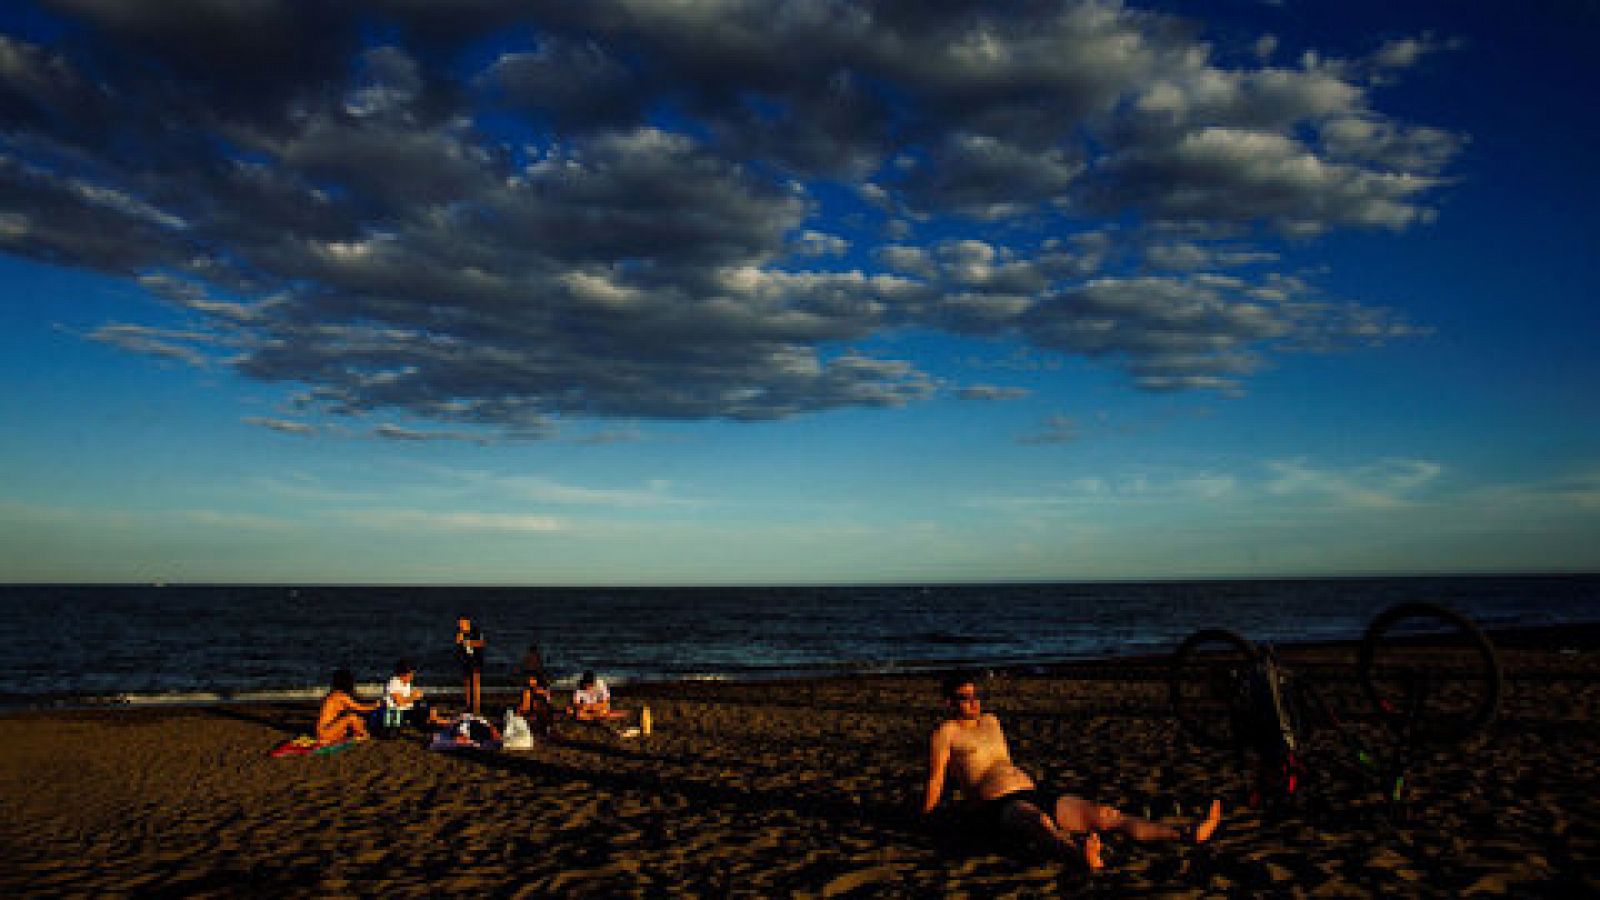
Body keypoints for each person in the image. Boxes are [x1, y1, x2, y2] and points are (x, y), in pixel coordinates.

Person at [922, 674, 1222, 870]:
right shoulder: (945, 733)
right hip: (996, 806)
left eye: (975, 695)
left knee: (1105, 814)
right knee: (1040, 823)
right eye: (965, 697)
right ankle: (1080, 856)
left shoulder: (992, 721)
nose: (974, 702)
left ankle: (1186, 833)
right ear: (948, 702)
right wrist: (928, 820)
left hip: (1031, 790)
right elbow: (936, 780)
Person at [568, 670, 650, 738]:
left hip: (598, 706)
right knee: (574, 712)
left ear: (594, 683)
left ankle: (632, 713)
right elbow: (576, 702)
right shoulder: (579, 686)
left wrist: (591, 707)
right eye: (586, 686)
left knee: (602, 713)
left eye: (590, 686)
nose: (588, 688)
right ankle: (595, 717)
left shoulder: (600, 684)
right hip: (587, 707)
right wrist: (583, 707)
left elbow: (605, 702)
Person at [384, 659, 449, 730]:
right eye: (410, 674)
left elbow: (407, 698)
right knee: (424, 711)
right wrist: (413, 696)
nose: (412, 676)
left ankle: (438, 721)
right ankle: (440, 722)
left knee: (429, 705)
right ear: (402, 674)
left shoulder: (406, 683)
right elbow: (399, 702)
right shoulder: (394, 683)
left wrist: (416, 696)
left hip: (407, 709)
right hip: (397, 713)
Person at [316, 668, 375, 744]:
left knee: (358, 720)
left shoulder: (335, 694)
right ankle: (365, 735)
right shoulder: (340, 695)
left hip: (325, 731)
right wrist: (375, 705)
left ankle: (358, 735)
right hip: (324, 732)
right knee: (352, 717)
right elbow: (360, 708)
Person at [454, 615, 486, 715]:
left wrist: (469, 643)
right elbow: (459, 647)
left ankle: (477, 707)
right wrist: (459, 641)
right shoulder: (460, 633)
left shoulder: (475, 631)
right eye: (459, 624)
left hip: (475, 660)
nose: (460, 625)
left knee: (476, 684)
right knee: (467, 684)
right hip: (465, 661)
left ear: (467, 622)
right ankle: (468, 705)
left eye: (462, 623)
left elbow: (482, 643)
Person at [517, 669, 557, 737]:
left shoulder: (542, 691)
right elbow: (523, 705)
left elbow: (548, 701)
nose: (531, 681)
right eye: (530, 680)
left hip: (539, 711)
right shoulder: (527, 692)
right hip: (530, 710)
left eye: (532, 680)